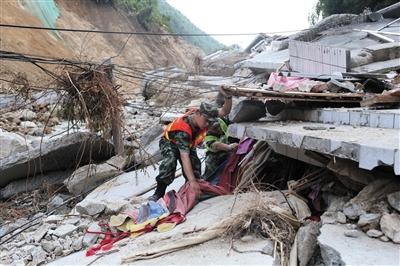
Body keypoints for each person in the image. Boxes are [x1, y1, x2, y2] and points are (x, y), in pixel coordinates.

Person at [148, 90, 233, 201]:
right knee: (170, 163)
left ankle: (189, 190)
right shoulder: (183, 129)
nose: (208, 124)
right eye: (206, 121)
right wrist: (192, 182)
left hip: (188, 143)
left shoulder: (206, 114)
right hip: (170, 142)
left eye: (210, 122)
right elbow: (184, 157)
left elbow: (224, 111)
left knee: (195, 167)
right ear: (197, 113)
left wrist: (228, 97)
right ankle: (158, 193)